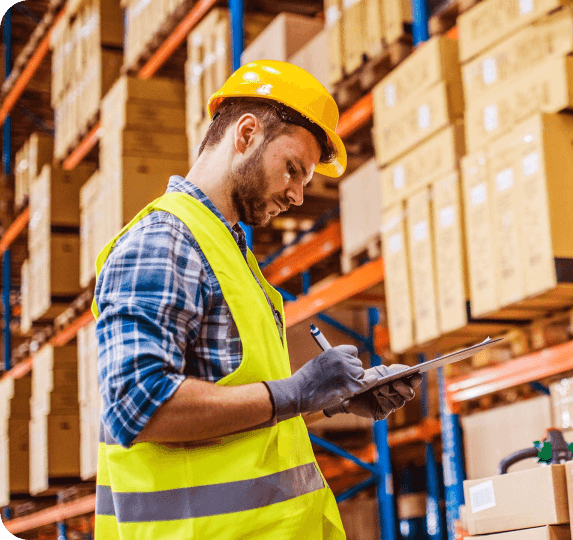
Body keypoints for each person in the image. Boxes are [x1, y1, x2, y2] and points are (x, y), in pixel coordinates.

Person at [90, 60, 421, 539]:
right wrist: (297, 392)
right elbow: (136, 405)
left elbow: (239, 406)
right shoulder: (164, 240)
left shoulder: (229, 254)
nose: (298, 195)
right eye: (293, 170)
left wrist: (330, 396)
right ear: (246, 135)